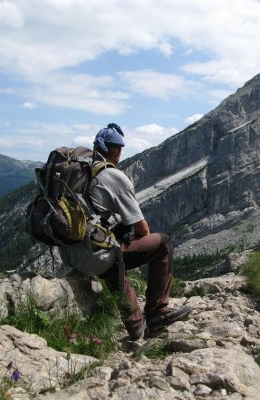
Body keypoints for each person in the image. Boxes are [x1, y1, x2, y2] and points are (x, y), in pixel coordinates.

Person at [60, 123, 191, 340]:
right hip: (95, 256)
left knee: (109, 248)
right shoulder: (113, 176)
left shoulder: (76, 171)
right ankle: (157, 313)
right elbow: (143, 228)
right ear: (118, 150)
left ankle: (136, 326)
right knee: (163, 244)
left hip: (69, 255)